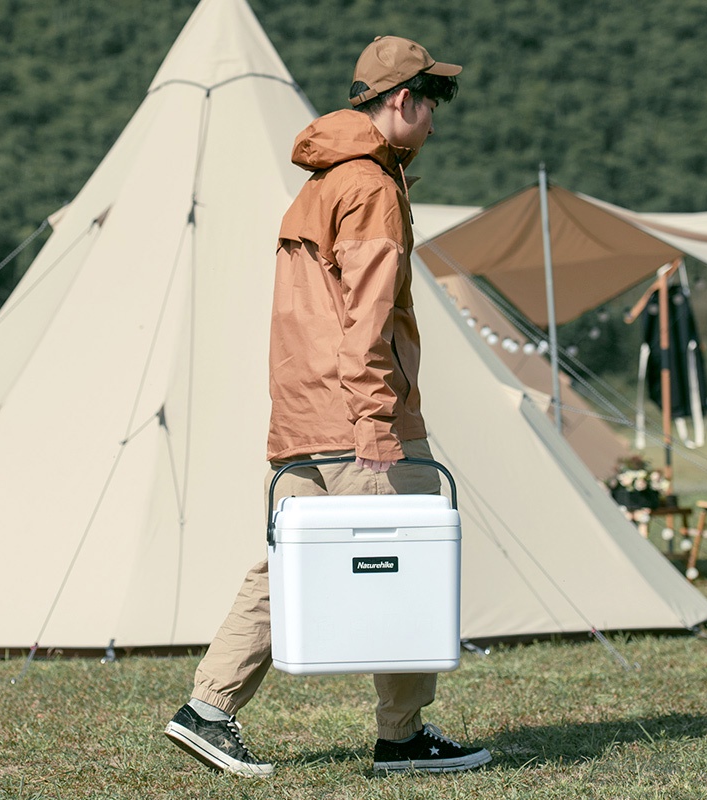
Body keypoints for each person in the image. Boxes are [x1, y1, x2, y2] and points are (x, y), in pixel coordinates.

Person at [164, 35, 492, 777]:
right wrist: (376, 419)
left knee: (287, 561)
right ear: (401, 100)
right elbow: (366, 318)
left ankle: (207, 709)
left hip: (304, 412)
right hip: (357, 416)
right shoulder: (372, 188)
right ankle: (401, 736)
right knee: (413, 557)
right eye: (431, 102)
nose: (435, 119)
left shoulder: (321, 182)